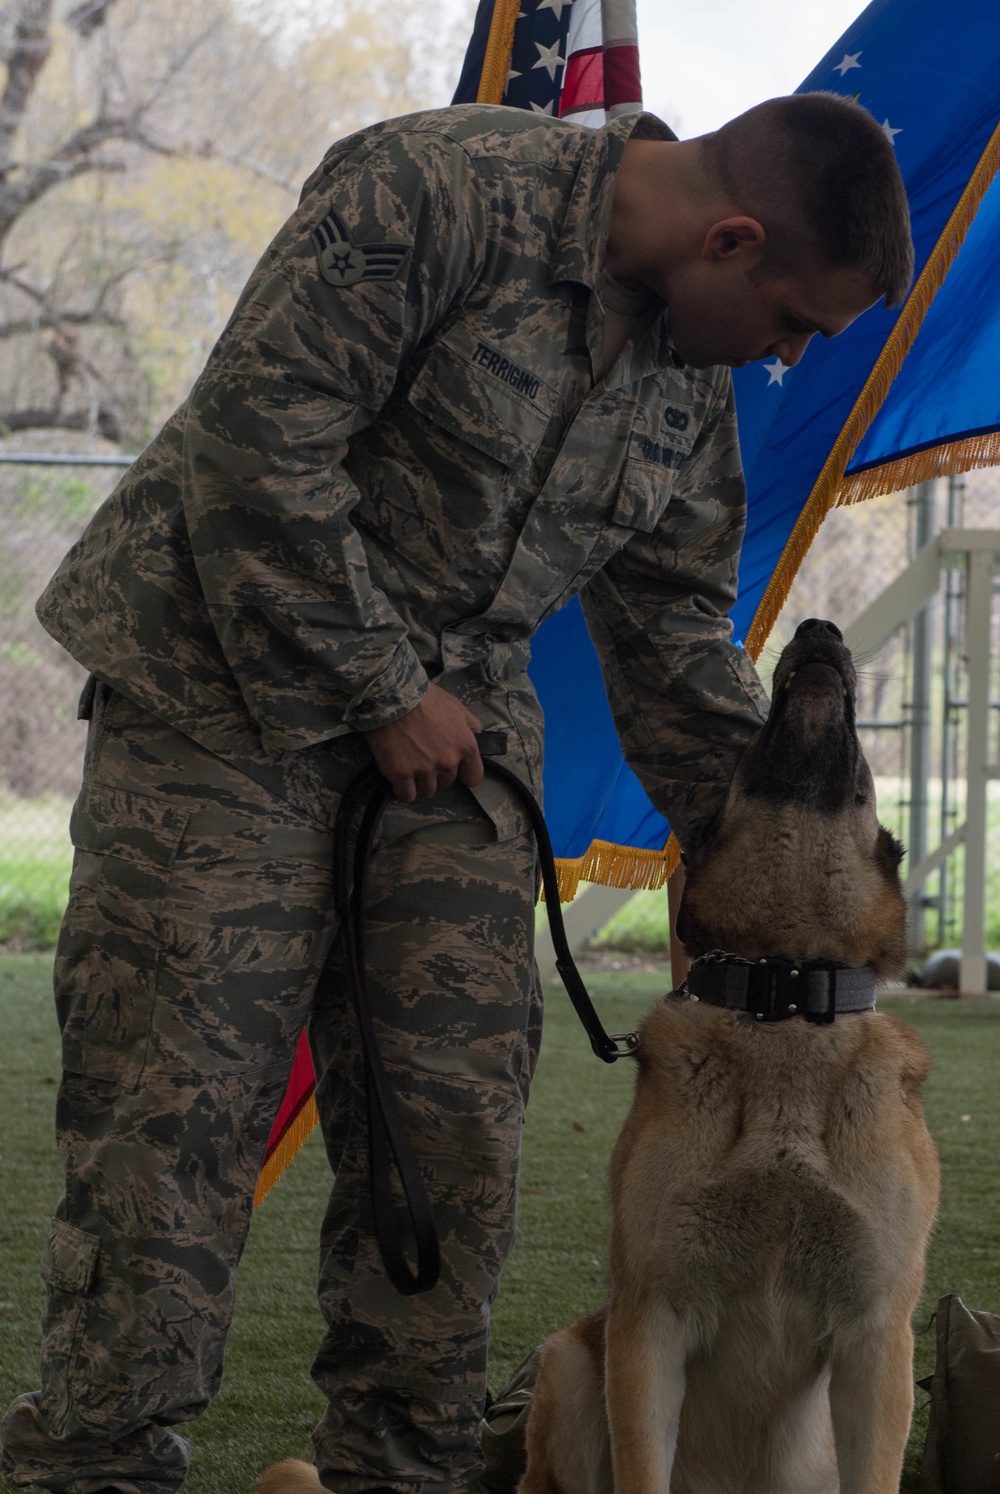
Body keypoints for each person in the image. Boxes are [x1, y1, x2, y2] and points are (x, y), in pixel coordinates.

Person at [1, 91, 912, 1494]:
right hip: (214, 696)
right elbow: (257, 436)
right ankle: (101, 1462)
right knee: (166, 1131)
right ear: (731, 237)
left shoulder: (686, 373)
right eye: (796, 322)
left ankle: (404, 1470)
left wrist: (766, 861)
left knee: (454, 1140)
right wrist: (379, 682)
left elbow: (673, 631)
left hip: (454, 741)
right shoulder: (435, 190)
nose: (786, 356)